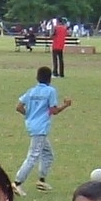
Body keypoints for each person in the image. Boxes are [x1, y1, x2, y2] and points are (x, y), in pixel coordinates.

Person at [15, 64, 71, 193]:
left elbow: (19, 107)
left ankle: (41, 180)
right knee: (33, 156)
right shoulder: (50, 91)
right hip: (40, 128)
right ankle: (17, 182)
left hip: (32, 125)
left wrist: (29, 115)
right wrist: (66, 105)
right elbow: (54, 110)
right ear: (50, 78)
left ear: (37, 78)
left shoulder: (31, 91)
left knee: (48, 154)